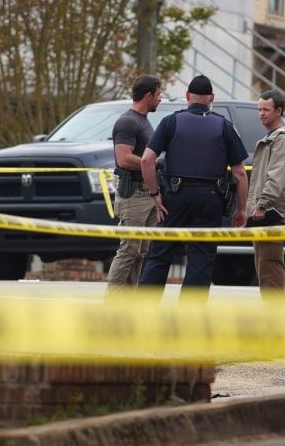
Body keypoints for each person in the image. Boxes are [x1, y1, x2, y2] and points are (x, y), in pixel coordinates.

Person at [137, 75, 249, 305]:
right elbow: (239, 173)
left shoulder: (170, 122)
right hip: (210, 200)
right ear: (212, 99)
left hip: (174, 198)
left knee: (159, 254)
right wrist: (242, 209)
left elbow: (146, 160)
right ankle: (190, 317)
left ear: (187, 97)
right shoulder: (225, 125)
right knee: (201, 257)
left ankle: (142, 312)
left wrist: (155, 195)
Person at [104, 75, 163, 299]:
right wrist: (152, 163)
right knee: (129, 249)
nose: (160, 98)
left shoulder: (143, 120)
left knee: (141, 251)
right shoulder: (128, 121)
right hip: (133, 195)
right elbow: (123, 158)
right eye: (158, 94)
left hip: (147, 194)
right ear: (148, 95)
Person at [247, 90, 285, 305]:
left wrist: (261, 205)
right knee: (264, 268)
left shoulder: (282, 141)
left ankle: (279, 320)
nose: (261, 114)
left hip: (273, 215)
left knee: (270, 269)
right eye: (259, 109)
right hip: (264, 215)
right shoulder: (270, 139)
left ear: (278, 111)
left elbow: (275, 178)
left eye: (266, 110)